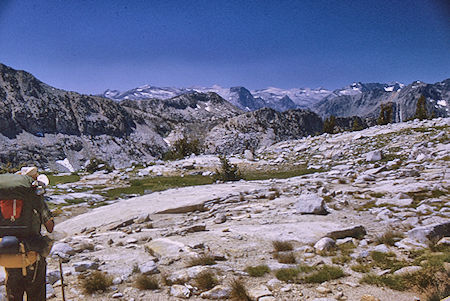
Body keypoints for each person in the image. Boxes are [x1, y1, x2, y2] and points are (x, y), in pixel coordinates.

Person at [4, 166, 54, 301]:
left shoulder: (4, 198)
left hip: (9, 252)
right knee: (36, 293)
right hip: (32, 253)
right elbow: (50, 227)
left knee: (14, 294)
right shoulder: (34, 197)